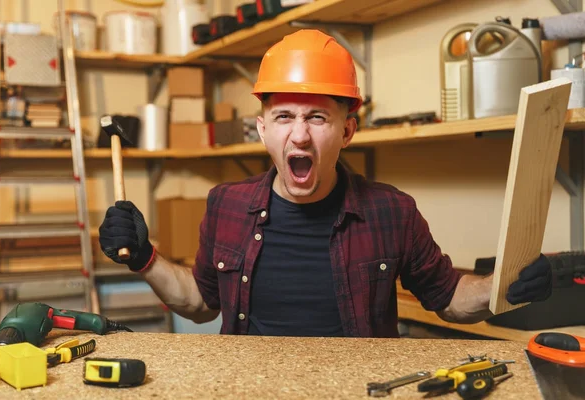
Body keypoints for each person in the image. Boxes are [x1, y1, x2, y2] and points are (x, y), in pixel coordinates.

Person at [98, 29, 552, 337]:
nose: (299, 134)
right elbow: (200, 302)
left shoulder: (391, 211)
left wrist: (501, 288)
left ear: (347, 131)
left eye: (317, 117)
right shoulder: (226, 205)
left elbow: (449, 297)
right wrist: (146, 258)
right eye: (284, 117)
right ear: (262, 130)